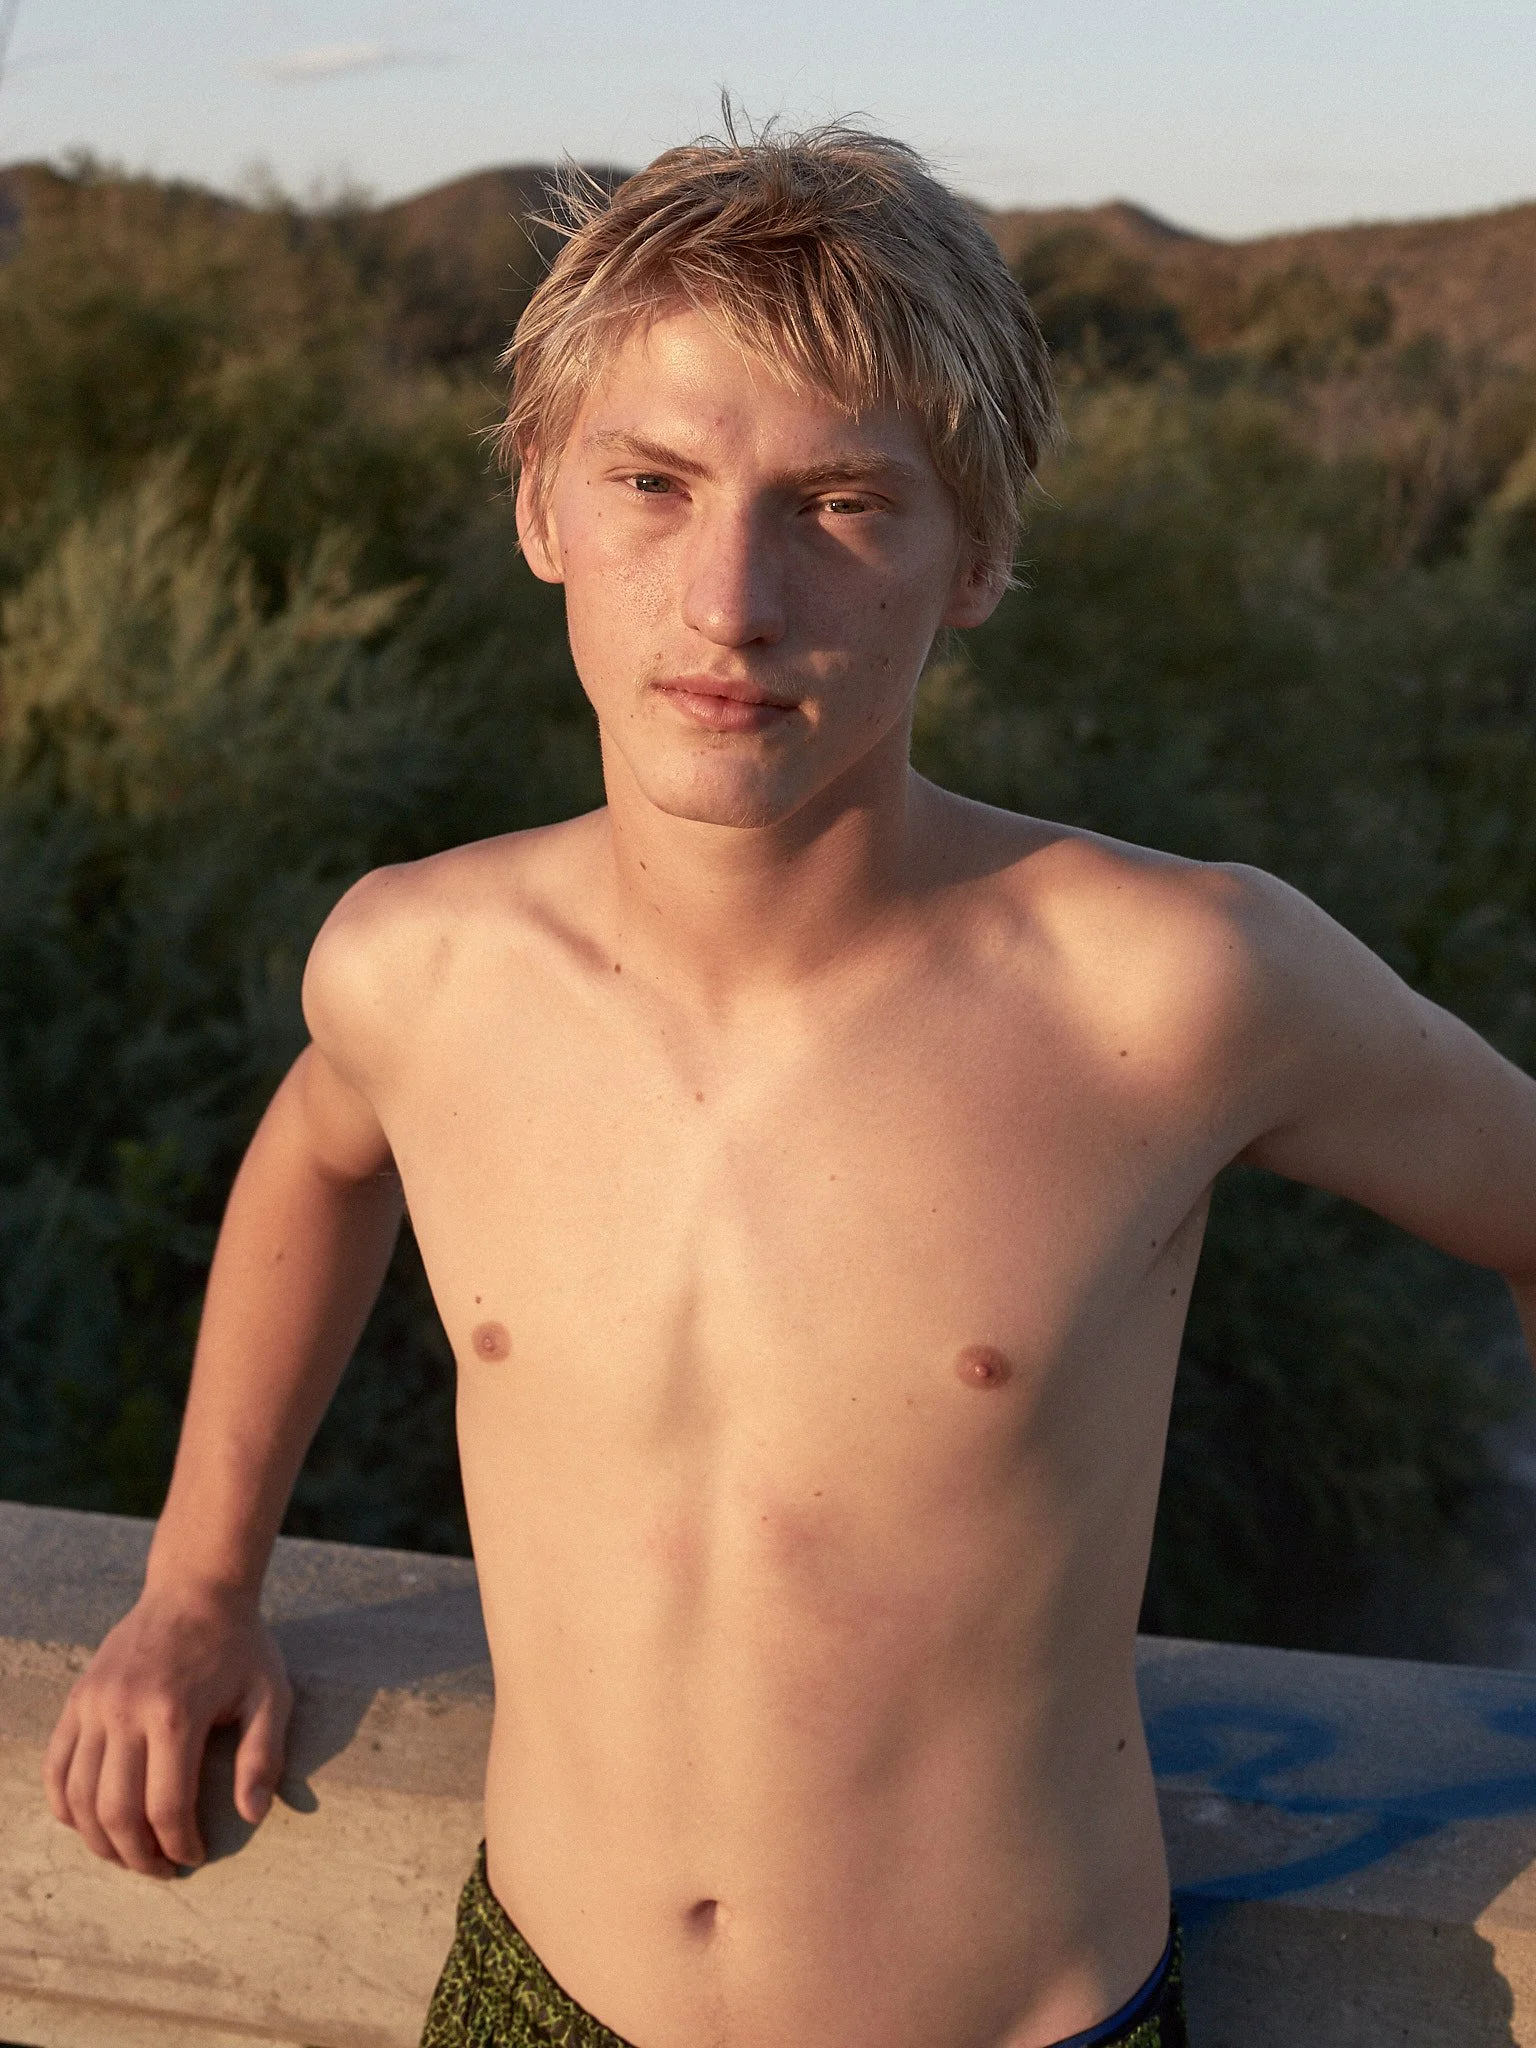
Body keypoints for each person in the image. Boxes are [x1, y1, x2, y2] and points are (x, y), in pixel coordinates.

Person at [41, 122, 1536, 2048]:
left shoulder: (1170, 985)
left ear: (977, 551)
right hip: (538, 1996)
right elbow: (323, 1153)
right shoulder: (421, 962)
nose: (732, 599)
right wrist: (195, 1581)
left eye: (841, 504)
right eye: (652, 484)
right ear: (539, 511)